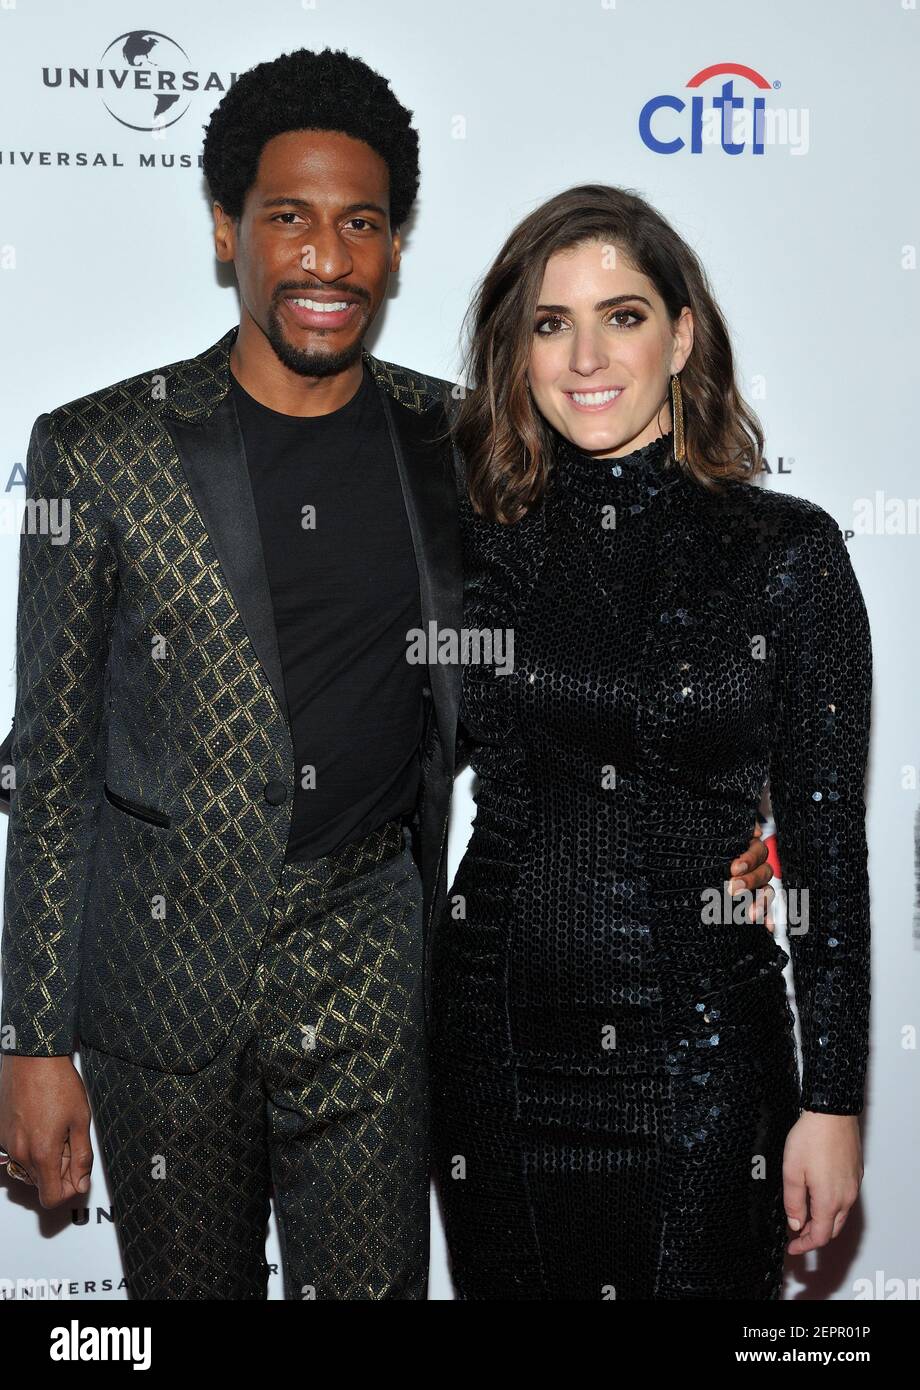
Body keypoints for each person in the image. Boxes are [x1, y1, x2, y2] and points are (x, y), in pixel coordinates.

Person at [0, 48, 774, 1299]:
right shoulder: (99, 449)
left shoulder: (457, 441)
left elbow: (603, 642)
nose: (326, 258)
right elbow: (49, 765)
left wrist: (743, 809)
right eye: (288, 220)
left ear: (394, 247)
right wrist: (31, 1041)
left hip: (371, 959)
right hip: (157, 987)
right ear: (224, 231)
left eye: (360, 223)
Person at [428, 184, 871, 1300]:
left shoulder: (785, 553)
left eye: (620, 316)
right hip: (495, 1051)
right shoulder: (470, 538)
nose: (585, 354)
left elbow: (825, 850)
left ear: (680, 335)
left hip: (705, 1061)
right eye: (548, 322)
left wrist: (832, 1102)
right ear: (516, 351)